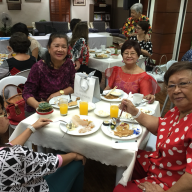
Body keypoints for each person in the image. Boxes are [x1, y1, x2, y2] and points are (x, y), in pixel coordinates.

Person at [114, 61, 192, 192]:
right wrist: (134, 111)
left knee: (119, 190)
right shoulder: (177, 111)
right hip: (159, 164)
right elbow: (160, 126)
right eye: (171, 86)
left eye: (183, 83)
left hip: (172, 182)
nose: (176, 90)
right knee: (127, 154)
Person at [0, 95, 85, 192]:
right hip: (37, 187)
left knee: (60, 154)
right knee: (77, 162)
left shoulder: (7, 153)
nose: (7, 115)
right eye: (1, 113)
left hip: (20, 183)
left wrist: (31, 128)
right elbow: (51, 162)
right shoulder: (11, 156)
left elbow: (9, 147)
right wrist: (74, 155)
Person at [22, 32, 76, 113]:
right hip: (39, 110)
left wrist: (59, 93)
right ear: (49, 48)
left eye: (64, 47)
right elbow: (27, 92)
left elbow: (75, 85)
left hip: (62, 106)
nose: (60, 49)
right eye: (56, 46)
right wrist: (38, 105)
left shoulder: (68, 64)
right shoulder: (39, 67)